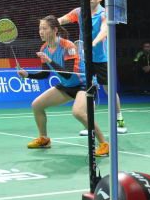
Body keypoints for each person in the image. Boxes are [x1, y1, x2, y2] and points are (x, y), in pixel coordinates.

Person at [17, 16, 110, 157]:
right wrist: (27, 75)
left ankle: (104, 144)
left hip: (84, 84)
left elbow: (67, 74)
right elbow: (45, 74)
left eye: (44, 28)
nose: (41, 32)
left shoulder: (68, 46)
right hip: (67, 86)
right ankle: (44, 139)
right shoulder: (44, 48)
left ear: (55, 30)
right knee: (37, 105)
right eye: (40, 29)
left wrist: (50, 61)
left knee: (78, 112)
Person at [58, 0, 127, 135]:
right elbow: (62, 20)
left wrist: (93, 43)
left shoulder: (104, 14)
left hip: (102, 59)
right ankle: (90, 124)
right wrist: (49, 24)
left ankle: (119, 119)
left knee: (109, 90)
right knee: (89, 91)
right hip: (85, 59)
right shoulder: (79, 12)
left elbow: (104, 30)